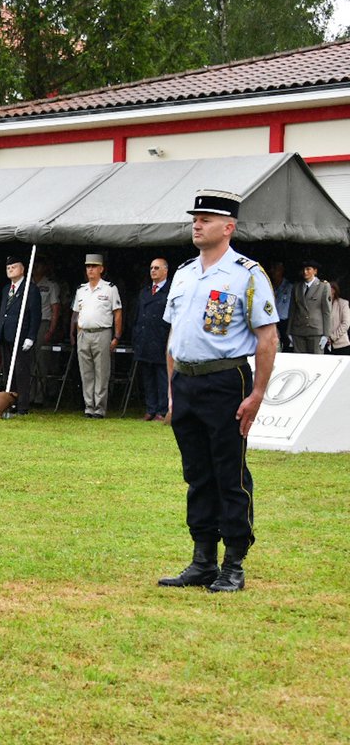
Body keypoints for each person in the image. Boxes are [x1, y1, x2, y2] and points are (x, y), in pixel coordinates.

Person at [159, 190, 277, 593]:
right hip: (187, 382)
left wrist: (257, 393)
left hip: (226, 380)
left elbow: (268, 337)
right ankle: (202, 560)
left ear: (228, 227)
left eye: (207, 219)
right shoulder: (185, 272)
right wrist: (173, 388)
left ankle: (234, 564)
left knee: (229, 472)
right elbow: (175, 334)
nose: (197, 224)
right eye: (195, 217)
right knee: (197, 474)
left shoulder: (247, 274)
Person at [70, 254, 123, 418]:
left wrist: (117, 336)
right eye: (88, 266)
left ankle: (99, 408)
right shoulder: (81, 289)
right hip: (84, 333)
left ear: (101, 269)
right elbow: (75, 313)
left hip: (102, 333)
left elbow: (118, 313)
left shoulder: (110, 288)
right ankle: (89, 406)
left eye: (94, 266)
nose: (90, 269)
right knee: (86, 372)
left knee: (101, 372)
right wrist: (74, 333)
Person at [0, 255, 41, 415]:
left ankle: (23, 405)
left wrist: (31, 336)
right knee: (8, 370)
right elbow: (3, 312)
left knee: (22, 371)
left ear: (22, 269)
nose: (10, 270)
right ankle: (11, 401)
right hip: (6, 335)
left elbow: (35, 315)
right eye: (8, 268)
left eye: (13, 267)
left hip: (21, 336)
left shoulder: (31, 289)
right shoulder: (6, 289)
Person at [132, 258, 171, 421]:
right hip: (145, 339)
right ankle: (150, 408)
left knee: (162, 376)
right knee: (147, 377)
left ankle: (162, 411)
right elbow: (137, 315)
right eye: (151, 268)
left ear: (165, 271)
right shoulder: (145, 291)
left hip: (161, 339)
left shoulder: (170, 291)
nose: (153, 271)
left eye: (156, 268)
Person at [31, 260, 61, 406]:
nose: (37, 266)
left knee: (41, 361)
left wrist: (51, 330)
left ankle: (39, 396)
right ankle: (28, 394)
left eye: (40, 263)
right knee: (28, 360)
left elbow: (55, 309)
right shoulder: (26, 283)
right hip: (28, 324)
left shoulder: (50, 285)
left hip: (43, 323)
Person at [288, 259, 332, 354]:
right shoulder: (297, 286)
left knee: (315, 362)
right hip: (298, 330)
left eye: (308, 269)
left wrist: (326, 334)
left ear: (315, 271)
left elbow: (326, 312)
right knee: (300, 362)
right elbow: (292, 310)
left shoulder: (323, 286)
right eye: (304, 269)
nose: (305, 272)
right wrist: (289, 331)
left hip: (316, 331)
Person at [268, 261, 292, 352]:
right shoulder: (270, 286)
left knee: (286, 346)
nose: (273, 272)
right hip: (272, 320)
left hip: (285, 322)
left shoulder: (289, 287)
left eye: (276, 269)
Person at [330, 280, 350, 356]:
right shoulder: (321, 306)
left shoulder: (343, 303)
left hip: (341, 345)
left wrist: (332, 337)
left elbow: (346, 324)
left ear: (333, 290)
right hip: (324, 346)